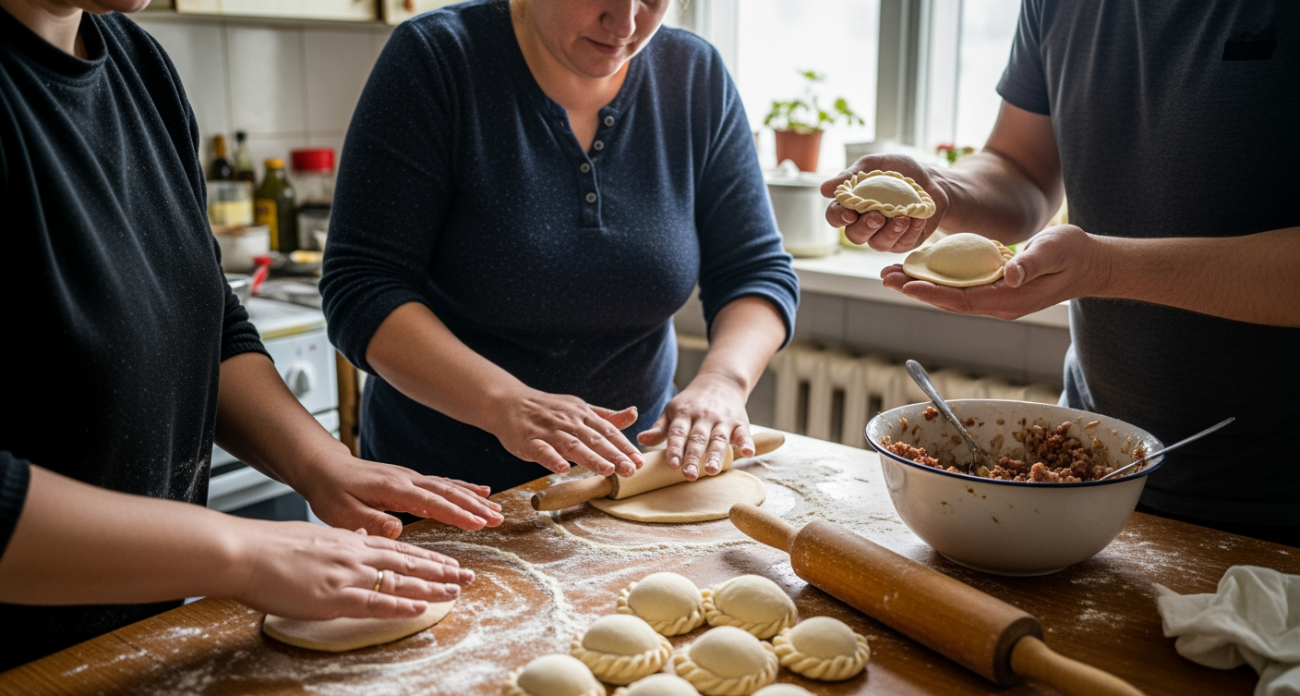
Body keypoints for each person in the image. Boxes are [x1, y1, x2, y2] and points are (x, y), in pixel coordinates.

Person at [0, 0, 504, 671]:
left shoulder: (138, 63)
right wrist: (244, 552)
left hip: (124, 649)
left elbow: (209, 317)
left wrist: (322, 465)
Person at [823, 0, 1299, 546]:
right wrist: (943, 192)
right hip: (1094, 464)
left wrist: (1107, 269)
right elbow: (1021, 166)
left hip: (1278, 502)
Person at [321, 0, 799, 494]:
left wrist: (724, 380)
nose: (628, 24)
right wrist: (504, 401)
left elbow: (755, 270)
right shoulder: (438, 57)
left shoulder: (694, 74)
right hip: (446, 491)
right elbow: (362, 286)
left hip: (634, 479)